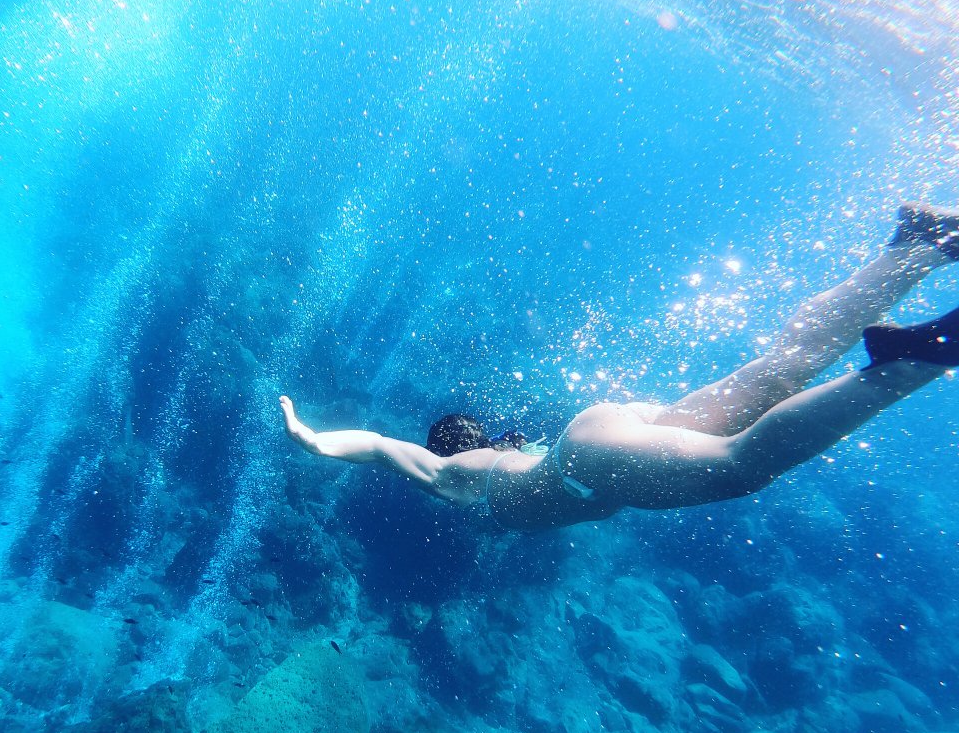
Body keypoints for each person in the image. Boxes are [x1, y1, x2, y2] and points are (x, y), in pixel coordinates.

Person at [279, 203, 959, 531]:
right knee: (777, 373)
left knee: (740, 466)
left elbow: (378, 448)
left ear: (450, 451)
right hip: (615, 429)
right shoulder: (501, 461)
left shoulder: (460, 478)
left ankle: (918, 358)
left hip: (590, 464)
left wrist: (313, 439)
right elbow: (384, 445)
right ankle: (913, 248)